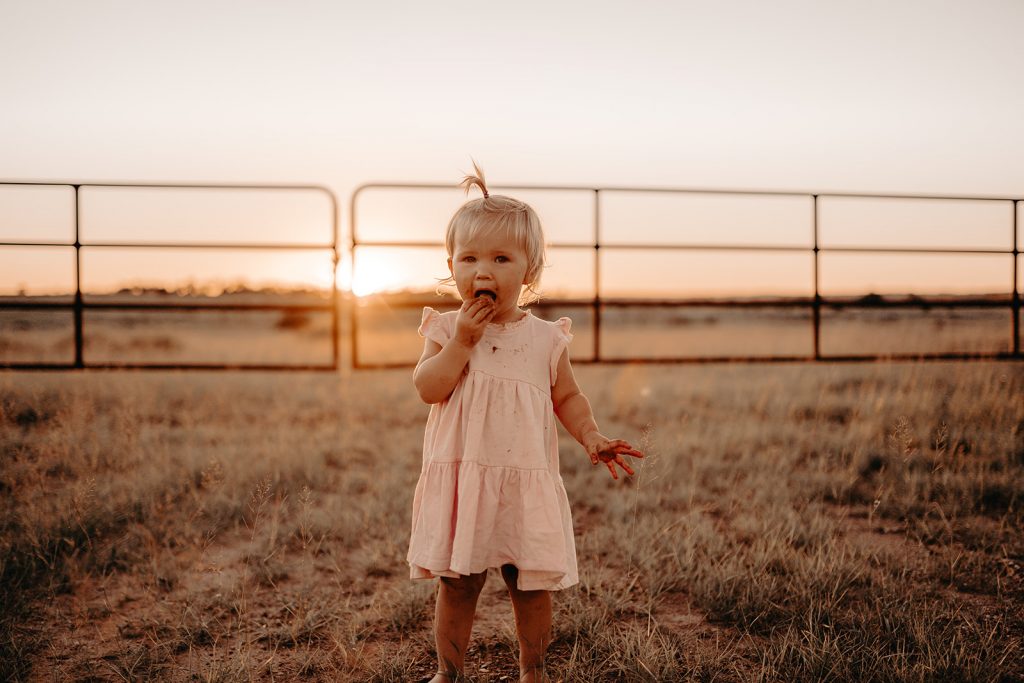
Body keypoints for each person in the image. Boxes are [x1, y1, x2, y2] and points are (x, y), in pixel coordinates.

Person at [408, 163, 644, 682]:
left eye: (500, 258)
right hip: (466, 478)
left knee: (530, 585)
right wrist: (464, 344)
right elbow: (429, 387)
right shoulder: (446, 328)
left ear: (529, 271)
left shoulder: (545, 339)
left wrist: (591, 435)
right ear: (452, 265)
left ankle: (532, 672)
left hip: (524, 481)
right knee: (458, 583)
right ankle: (449, 673)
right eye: (468, 258)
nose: (482, 270)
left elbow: (568, 396)